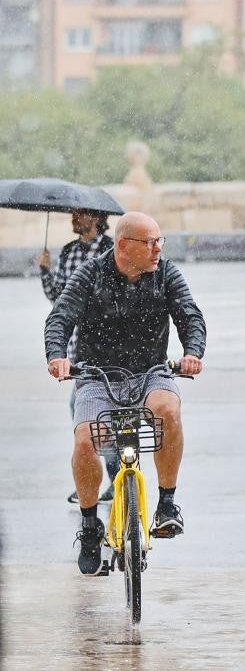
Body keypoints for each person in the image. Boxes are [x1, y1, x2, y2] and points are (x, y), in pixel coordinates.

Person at [45, 212, 206, 575]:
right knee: (86, 442)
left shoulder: (165, 273)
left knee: (168, 410)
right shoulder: (90, 274)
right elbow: (60, 317)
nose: (157, 250)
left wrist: (193, 352)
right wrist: (57, 357)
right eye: (149, 243)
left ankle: (167, 503)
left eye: (159, 241)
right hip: (97, 375)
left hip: (151, 372)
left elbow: (190, 316)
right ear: (122, 246)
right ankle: (89, 527)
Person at [37, 209, 120, 505]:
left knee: (93, 415)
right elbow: (58, 298)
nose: (74, 218)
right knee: (85, 417)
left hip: (106, 344)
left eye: (80, 214)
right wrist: (46, 270)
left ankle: (111, 478)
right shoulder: (69, 251)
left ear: (95, 218)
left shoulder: (113, 249)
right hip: (77, 350)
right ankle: (95, 480)